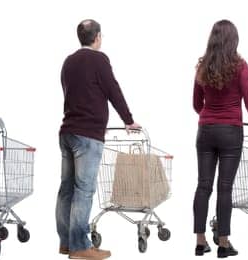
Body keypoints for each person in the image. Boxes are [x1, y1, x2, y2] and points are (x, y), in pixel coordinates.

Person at [58, 19, 138, 260]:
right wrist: (128, 119)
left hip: (67, 131)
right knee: (84, 190)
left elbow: (69, 90)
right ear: (98, 37)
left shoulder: (68, 61)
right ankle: (80, 247)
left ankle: (66, 243)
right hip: (88, 135)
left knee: (66, 189)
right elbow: (113, 89)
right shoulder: (98, 59)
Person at [190, 19, 248, 258]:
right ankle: (223, 242)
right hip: (231, 131)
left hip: (206, 130)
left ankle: (200, 241)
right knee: (225, 188)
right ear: (234, 40)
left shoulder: (202, 66)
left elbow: (196, 104)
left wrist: (209, 116)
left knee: (203, 185)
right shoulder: (240, 66)